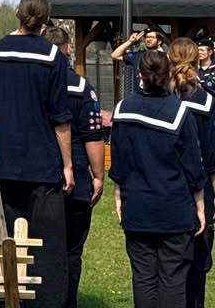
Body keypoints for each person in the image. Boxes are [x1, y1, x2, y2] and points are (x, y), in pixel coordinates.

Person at [0, 0, 72, 308]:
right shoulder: (52, 56)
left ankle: (8, 299)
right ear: (45, 20)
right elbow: (60, 118)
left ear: (17, 14)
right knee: (46, 246)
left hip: (6, 161)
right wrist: (68, 165)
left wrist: (0, 149)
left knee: (8, 240)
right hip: (43, 162)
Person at [110, 49, 205, 308]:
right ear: (168, 74)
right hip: (174, 210)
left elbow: (118, 158)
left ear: (139, 75)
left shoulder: (123, 109)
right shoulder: (179, 112)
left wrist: (118, 194)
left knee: (143, 277)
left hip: (137, 206)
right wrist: (200, 206)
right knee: (173, 279)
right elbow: (193, 165)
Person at [44, 26, 105, 308]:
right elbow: (93, 136)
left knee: (41, 248)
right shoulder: (81, 88)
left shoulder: (35, 83)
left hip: (40, 175)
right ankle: (67, 301)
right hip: (76, 176)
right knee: (72, 250)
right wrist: (98, 176)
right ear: (68, 50)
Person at [168, 37, 215, 308]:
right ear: (198, 60)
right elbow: (211, 156)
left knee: (165, 269)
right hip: (199, 189)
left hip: (163, 189)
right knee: (197, 268)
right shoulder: (206, 101)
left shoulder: (158, 98)